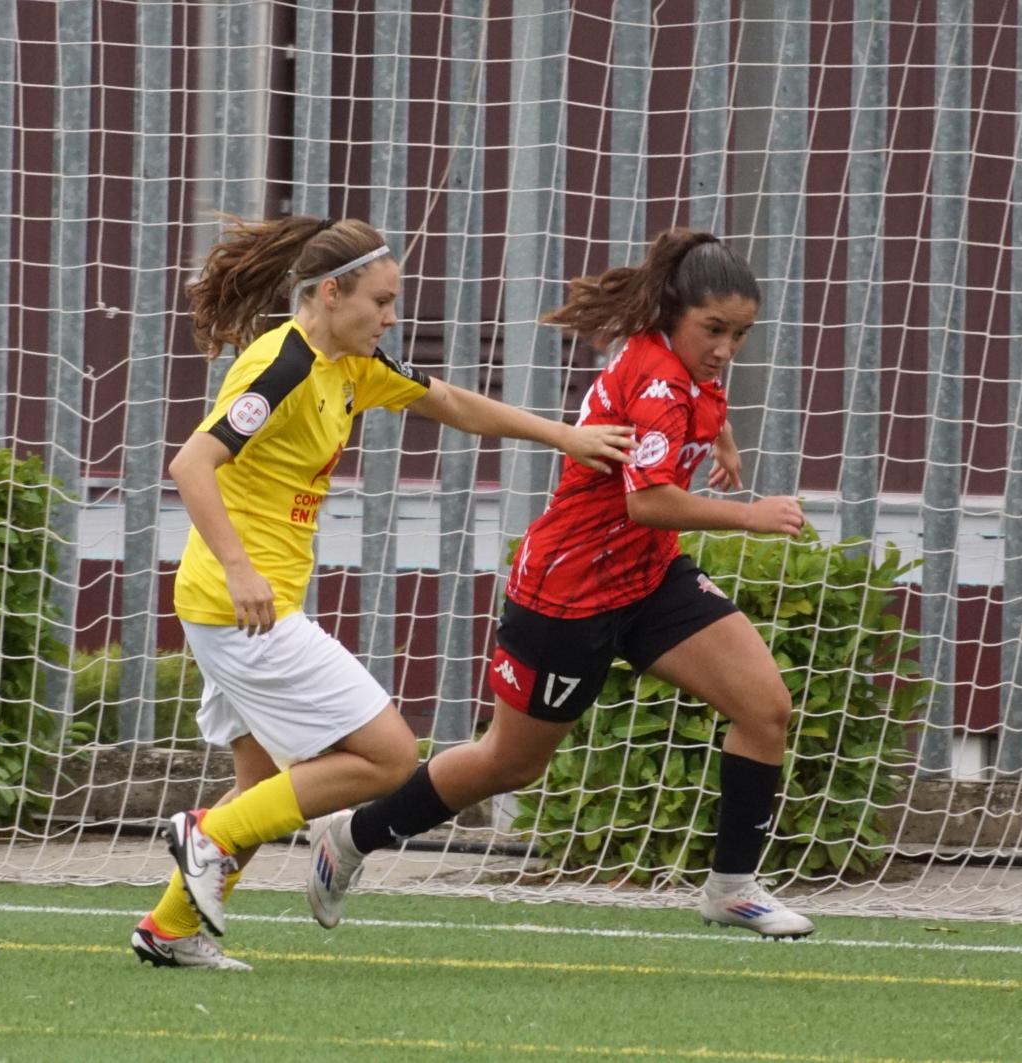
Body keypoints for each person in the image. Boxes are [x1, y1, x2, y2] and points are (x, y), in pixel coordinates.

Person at [130, 215, 636, 971]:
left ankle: (171, 926)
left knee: (263, 783)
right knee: (390, 755)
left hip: (249, 607)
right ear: (331, 293)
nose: (393, 317)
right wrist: (241, 568)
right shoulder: (286, 367)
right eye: (383, 300)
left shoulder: (351, 365)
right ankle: (207, 835)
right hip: (238, 608)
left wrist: (565, 436)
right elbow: (191, 465)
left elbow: (455, 404)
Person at [305, 229, 816, 940]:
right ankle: (353, 836)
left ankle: (732, 887)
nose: (727, 348)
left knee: (764, 706)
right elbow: (650, 500)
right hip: (568, 591)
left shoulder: (684, 362)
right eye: (715, 329)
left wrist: (723, 440)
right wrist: (751, 516)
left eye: (740, 333)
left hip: (648, 576)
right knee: (508, 763)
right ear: (674, 313)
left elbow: (703, 403)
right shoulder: (660, 380)